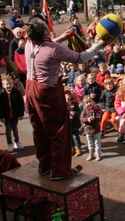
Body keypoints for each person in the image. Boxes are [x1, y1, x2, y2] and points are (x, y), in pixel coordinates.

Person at [24, 18, 106, 180]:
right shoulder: (54, 49)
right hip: (47, 91)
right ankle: (60, 170)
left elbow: (43, 47)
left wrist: (60, 38)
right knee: (59, 131)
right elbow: (80, 58)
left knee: (39, 129)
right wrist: (99, 45)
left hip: (30, 89)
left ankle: (45, 165)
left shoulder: (29, 44)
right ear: (45, 32)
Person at [0, 75, 25, 153]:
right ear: (3, 85)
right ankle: (9, 143)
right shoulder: (1, 95)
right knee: (8, 130)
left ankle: (17, 142)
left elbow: (21, 104)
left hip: (15, 114)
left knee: (15, 129)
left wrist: (21, 114)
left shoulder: (17, 92)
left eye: (10, 84)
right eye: (7, 84)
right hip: (7, 116)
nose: (9, 86)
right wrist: (1, 116)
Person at [80, 95, 103, 161]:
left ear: (92, 102)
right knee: (90, 143)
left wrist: (93, 118)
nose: (89, 104)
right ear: (85, 104)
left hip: (96, 130)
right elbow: (81, 118)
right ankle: (91, 154)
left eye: (90, 101)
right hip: (88, 130)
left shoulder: (97, 109)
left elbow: (99, 117)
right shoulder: (84, 111)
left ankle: (98, 155)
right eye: (87, 103)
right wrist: (87, 119)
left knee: (97, 143)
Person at [66, 89, 82, 157]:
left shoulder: (74, 103)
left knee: (75, 136)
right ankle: (72, 148)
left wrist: (74, 113)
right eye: (66, 94)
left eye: (69, 95)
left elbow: (79, 112)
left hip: (74, 123)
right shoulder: (62, 103)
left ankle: (78, 148)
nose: (67, 96)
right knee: (69, 137)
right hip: (67, 123)